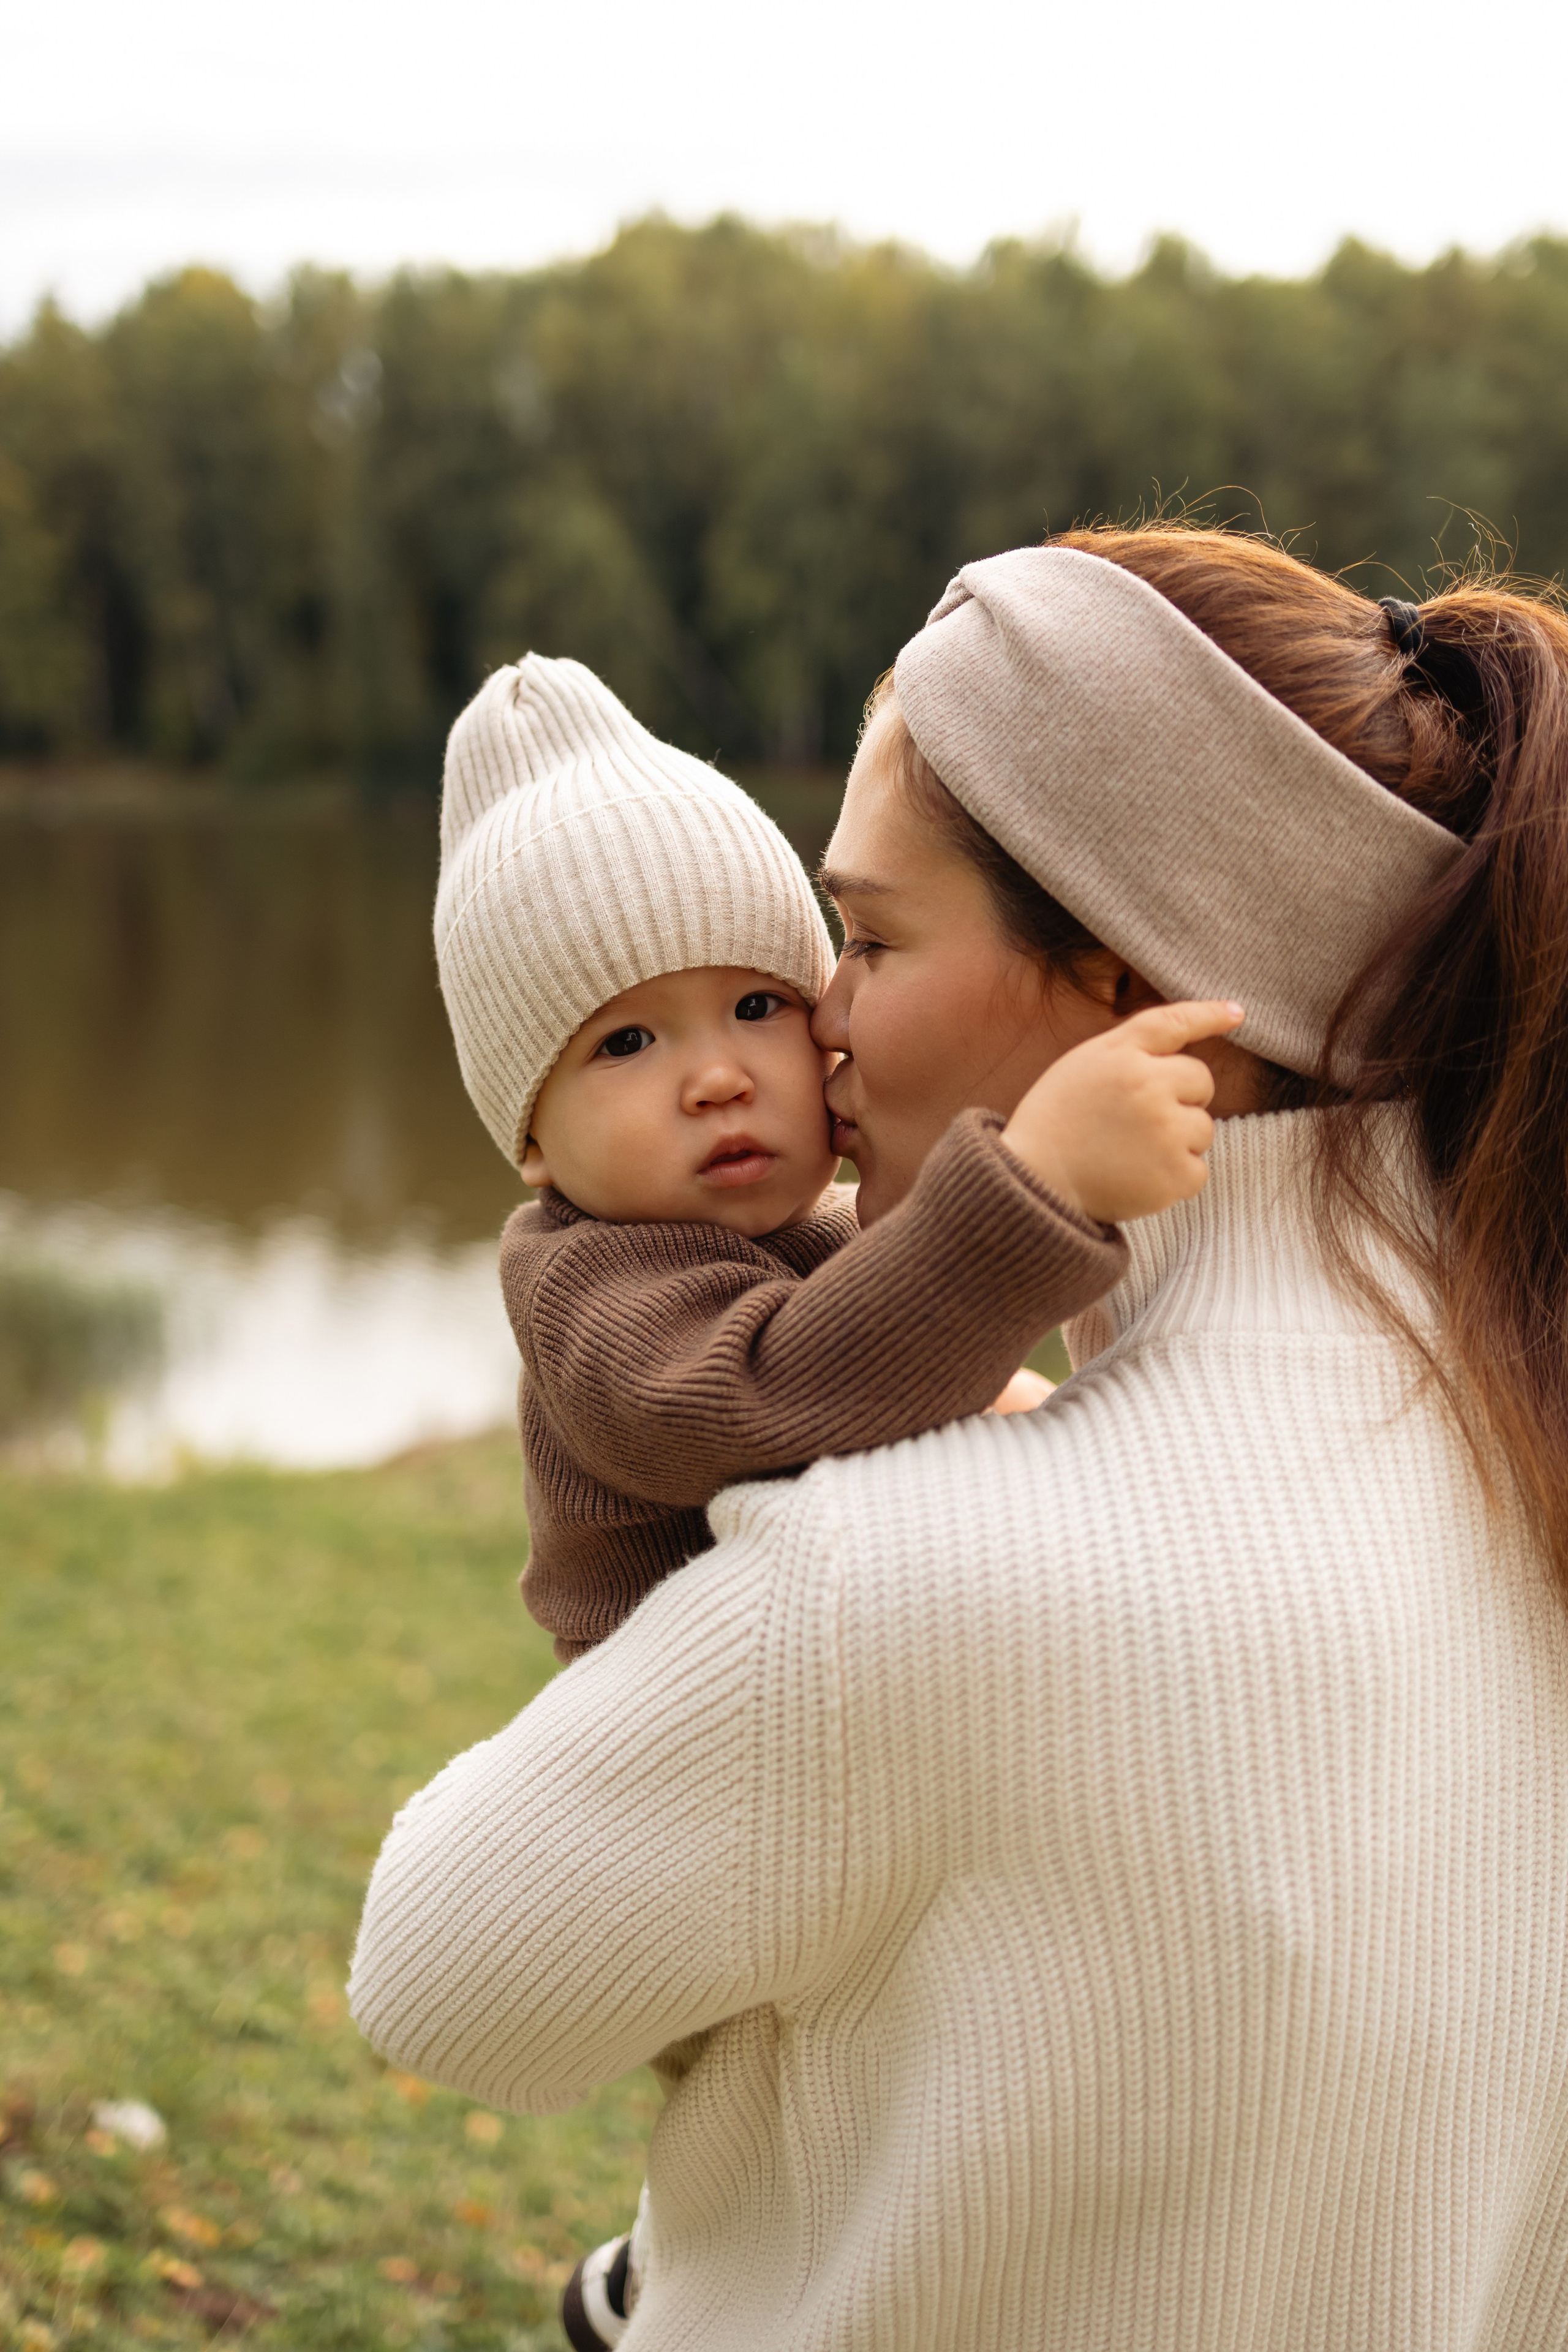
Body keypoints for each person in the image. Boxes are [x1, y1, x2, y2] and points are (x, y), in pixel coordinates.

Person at [350, 530, 1568, 2351]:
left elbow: (440, 1983)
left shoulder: (900, 1574)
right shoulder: (1521, 1426)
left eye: (861, 941)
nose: (818, 1026)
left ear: (1122, 978)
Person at [433, 656, 1233, 1671]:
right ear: (533, 1142)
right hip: (698, 1724)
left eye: (757, 1006)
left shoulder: (824, 1224)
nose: (718, 1078)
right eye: (626, 1043)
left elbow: (891, 1365)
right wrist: (1039, 1183)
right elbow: (770, 1393)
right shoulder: (591, 1291)